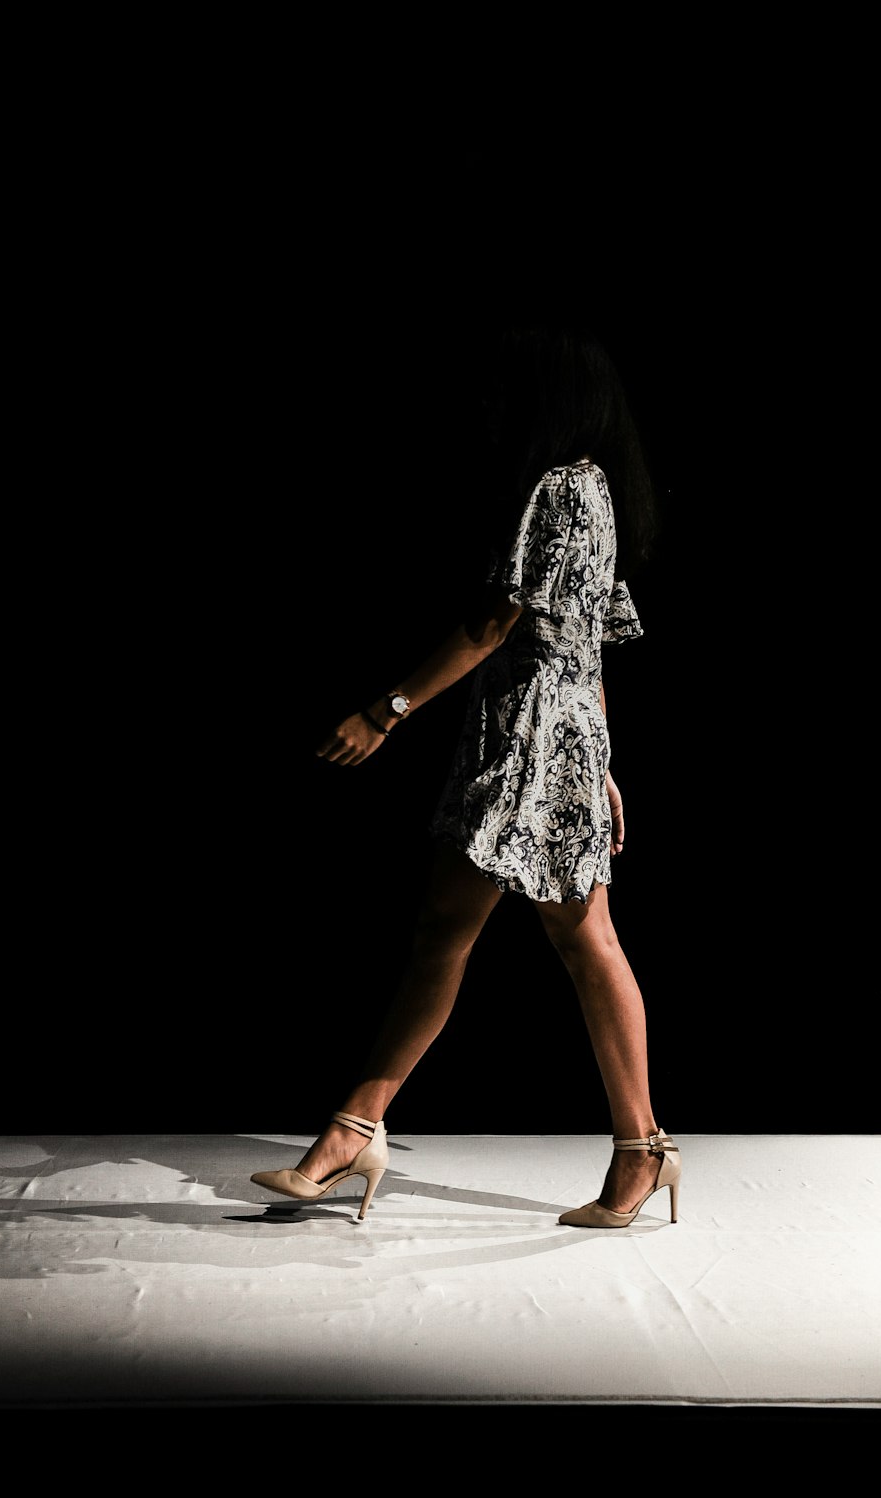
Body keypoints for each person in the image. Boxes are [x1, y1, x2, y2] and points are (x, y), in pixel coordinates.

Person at [250, 322, 681, 1229]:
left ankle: (355, 1129)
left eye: (513, 389)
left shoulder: (561, 487)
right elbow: (587, 648)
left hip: (529, 735)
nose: (496, 403)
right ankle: (639, 1149)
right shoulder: (591, 489)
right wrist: (600, 762)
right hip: (548, 734)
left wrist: (383, 711)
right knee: (553, 936)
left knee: (490, 933)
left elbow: (496, 627)